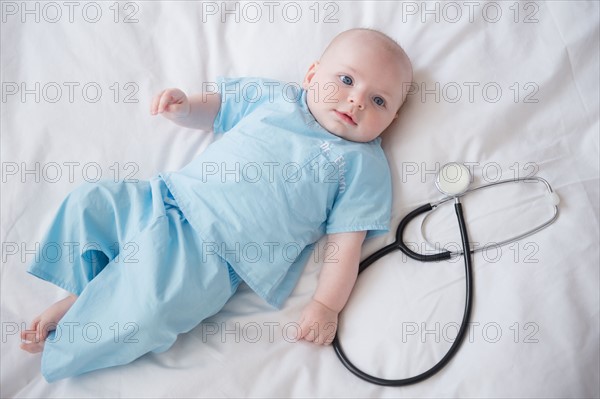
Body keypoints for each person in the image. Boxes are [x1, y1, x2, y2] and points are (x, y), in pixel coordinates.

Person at [20, 28, 413, 382]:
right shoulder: (274, 98)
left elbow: (345, 246)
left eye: (378, 100)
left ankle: (75, 334)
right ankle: (80, 293)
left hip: (213, 259)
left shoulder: (363, 166)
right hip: (166, 198)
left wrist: (326, 305)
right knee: (92, 201)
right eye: (345, 79)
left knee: (150, 308)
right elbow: (219, 110)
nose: (355, 100)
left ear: (392, 120)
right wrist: (185, 108)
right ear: (312, 75)